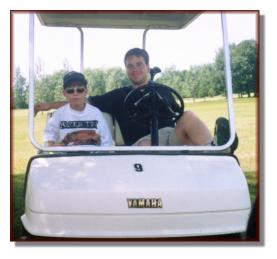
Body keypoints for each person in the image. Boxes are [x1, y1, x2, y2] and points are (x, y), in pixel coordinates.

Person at [37, 48, 237, 150]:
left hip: (170, 136)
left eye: (139, 64)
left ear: (148, 66)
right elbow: (79, 100)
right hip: (141, 144)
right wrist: (46, 105)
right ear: (126, 69)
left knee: (189, 116)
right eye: (130, 65)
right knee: (147, 147)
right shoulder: (117, 95)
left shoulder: (163, 90)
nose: (135, 69)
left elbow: (179, 115)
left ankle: (215, 149)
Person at [43, 71, 112, 147]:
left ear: (86, 92)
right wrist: (52, 145)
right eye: (70, 91)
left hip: (92, 156)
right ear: (64, 93)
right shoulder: (59, 114)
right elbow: (49, 136)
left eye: (80, 90)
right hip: (67, 156)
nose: (75, 93)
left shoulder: (96, 113)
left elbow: (107, 141)